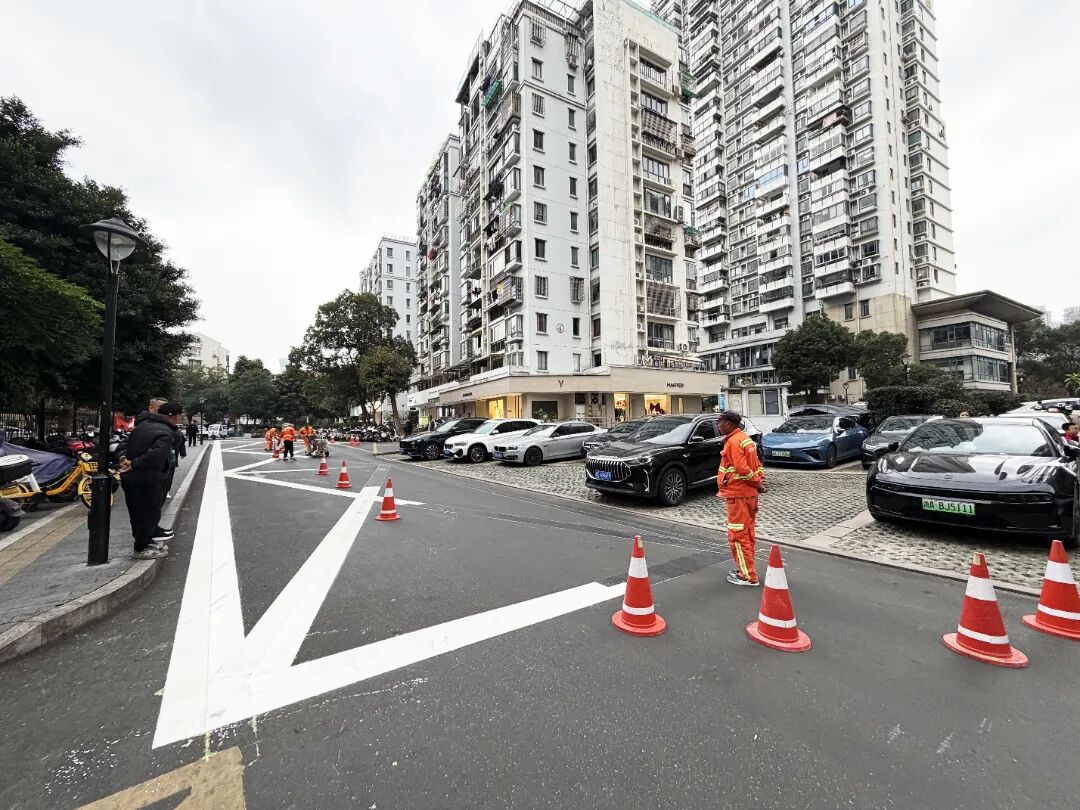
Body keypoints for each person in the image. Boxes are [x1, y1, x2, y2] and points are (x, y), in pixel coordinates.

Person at [119, 401, 183, 559]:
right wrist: (133, 464)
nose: (180, 419)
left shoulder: (142, 426)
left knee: (139, 512)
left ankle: (147, 539)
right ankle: (142, 547)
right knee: (148, 512)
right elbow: (155, 456)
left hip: (132, 478)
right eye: (179, 416)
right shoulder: (165, 431)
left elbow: (124, 445)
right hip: (148, 477)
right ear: (174, 416)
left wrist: (124, 460)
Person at [716, 410, 765, 587]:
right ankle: (744, 568)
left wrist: (757, 483)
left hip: (738, 495)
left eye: (720, 422)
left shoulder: (733, 442)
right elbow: (757, 466)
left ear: (728, 424)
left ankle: (747, 575)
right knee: (747, 534)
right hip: (748, 495)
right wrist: (758, 483)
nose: (718, 425)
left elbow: (743, 469)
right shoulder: (745, 439)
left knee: (738, 535)